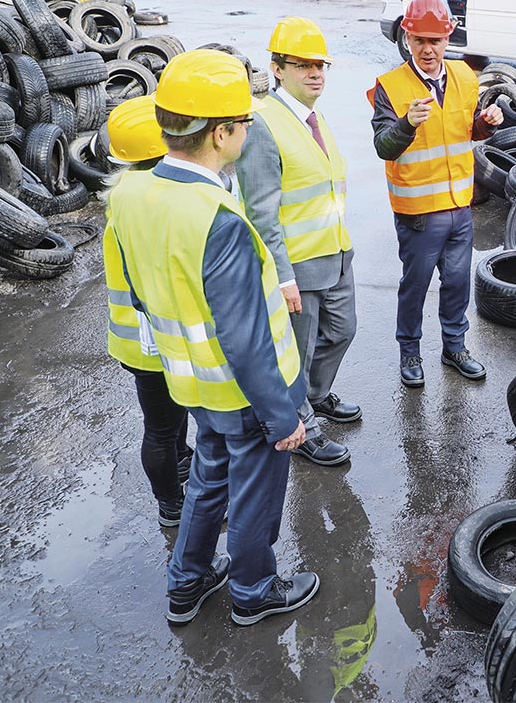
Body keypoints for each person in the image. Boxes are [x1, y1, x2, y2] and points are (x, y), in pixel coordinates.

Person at [107, 49, 319, 627]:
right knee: (254, 494)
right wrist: (282, 416)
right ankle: (253, 590)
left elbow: (141, 291)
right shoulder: (217, 217)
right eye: (244, 121)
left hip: (189, 382)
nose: (249, 129)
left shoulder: (130, 194)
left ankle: (187, 582)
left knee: (207, 480)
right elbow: (245, 338)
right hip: (243, 390)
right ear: (221, 133)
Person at [235, 17, 356, 468]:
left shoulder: (312, 117)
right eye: (303, 65)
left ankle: (317, 396)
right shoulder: (264, 125)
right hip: (299, 267)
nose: (315, 73)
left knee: (343, 331)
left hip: (336, 255)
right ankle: (303, 424)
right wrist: (283, 277)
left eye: (320, 65)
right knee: (296, 355)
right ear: (277, 69)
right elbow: (261, 212)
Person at [368, 0, 504, 388]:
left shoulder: (464, 76)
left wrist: (486, 123)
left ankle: (454, 347)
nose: (428, 49)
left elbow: (465, 130)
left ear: (448, 39)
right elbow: (383, 147)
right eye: (420, 40)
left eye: (436, 40)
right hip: (418, 214)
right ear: (407, 38)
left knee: (458, 282)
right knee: (415, 287)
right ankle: (410, 352)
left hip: (460, 208)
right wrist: (406, 123)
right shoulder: (391, 87)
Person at [101, 96, 196, 528]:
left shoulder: (125, 192)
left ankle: (180, 461)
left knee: (169, 419)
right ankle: (172, 506)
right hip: (153, 339)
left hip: (135, 337)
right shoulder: (154, 200)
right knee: (161, 427)